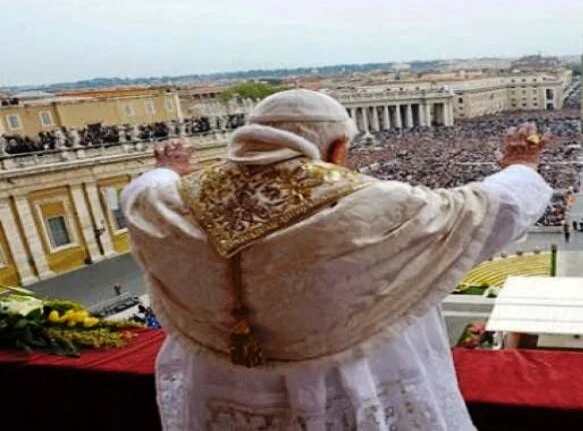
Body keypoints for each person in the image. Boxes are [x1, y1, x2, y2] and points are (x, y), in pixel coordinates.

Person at [124, 90, 552, 430]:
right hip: (339, 389)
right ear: (338, 147)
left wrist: (170, 168)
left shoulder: (168, 202)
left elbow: (140, 190)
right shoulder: (371, 205)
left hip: (222, 386)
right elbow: (490, 208)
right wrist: (522, 164)